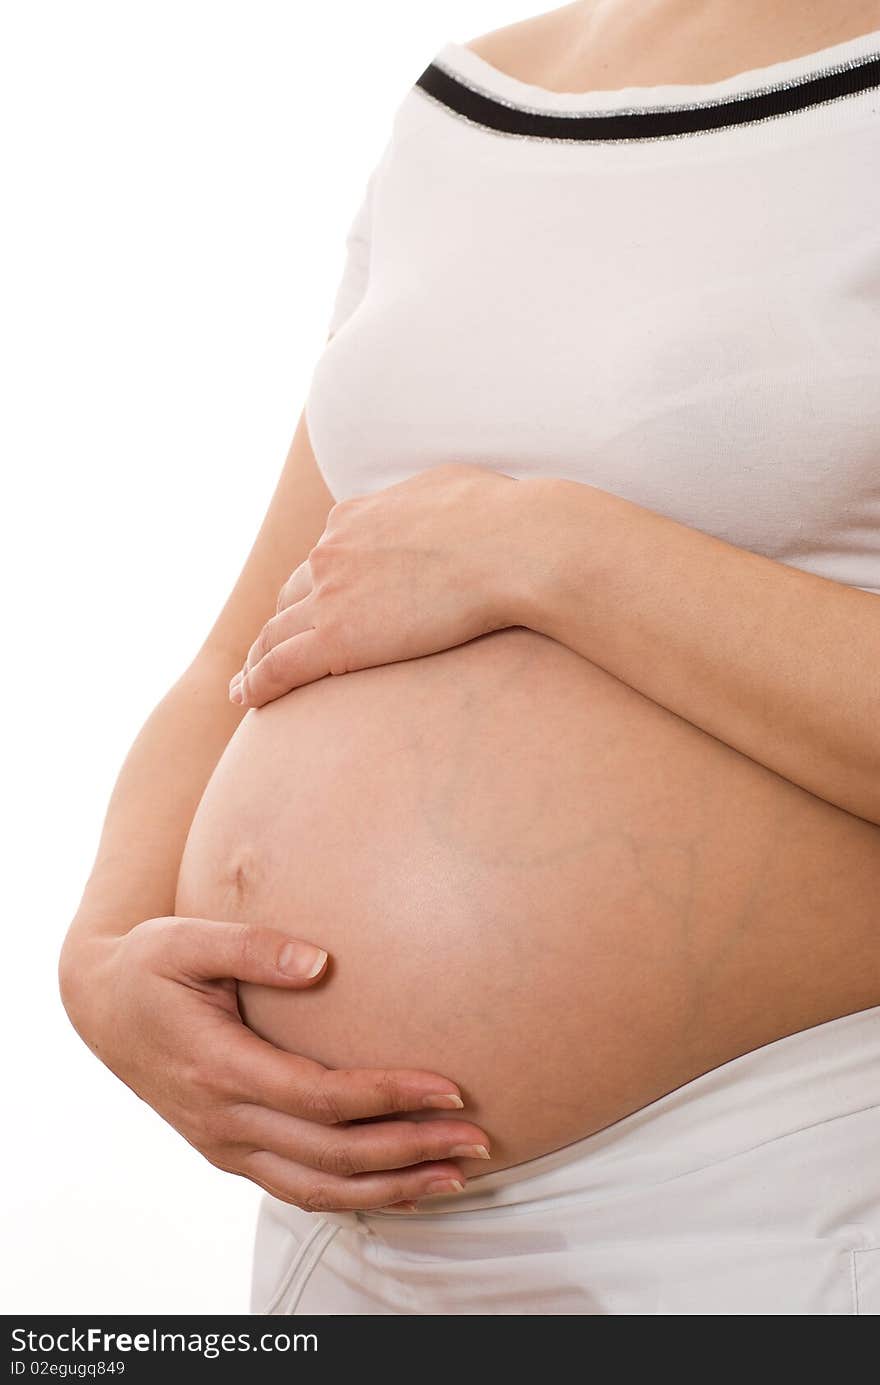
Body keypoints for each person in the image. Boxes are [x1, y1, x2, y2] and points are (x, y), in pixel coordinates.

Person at [60, 1, 880, 1315]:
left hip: (764, 1208)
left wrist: (558, 552)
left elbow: (511, 551)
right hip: (343, 1238)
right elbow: (246, 638)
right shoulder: (465, 102)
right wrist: (101, 959)